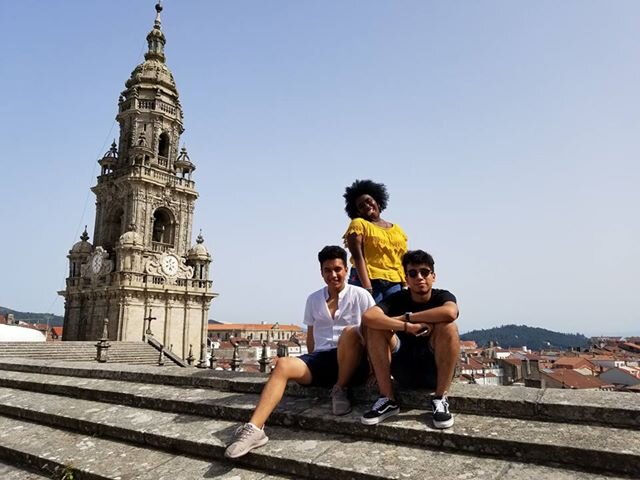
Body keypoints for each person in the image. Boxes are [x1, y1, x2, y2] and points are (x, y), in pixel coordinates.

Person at [225, 245, 375, 458]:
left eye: (337, 269)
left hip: (353, 361)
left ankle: (340, 388)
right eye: (327, 270)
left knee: (350, 333)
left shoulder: (360, 295)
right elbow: (312, 336)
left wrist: (375, 370)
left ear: (346, 270)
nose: (333, 274)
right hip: (323, 360)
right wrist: (309, 363)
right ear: (321, 272)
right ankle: (254, 429)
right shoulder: (314, 299)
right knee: (283, 364)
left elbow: (373, 333)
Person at [360, 249, 460, 429]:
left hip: (434, 373)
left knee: (448, 327)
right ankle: (387, 399)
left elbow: (451, 312)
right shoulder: (397, 299)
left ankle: (440, 398)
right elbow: (368, 317)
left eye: (424, 272)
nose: (419, 277)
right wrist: (407, 327)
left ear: (433, 276)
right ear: (406, 279)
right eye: (413, 273)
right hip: (404, 369)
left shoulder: (442, 296)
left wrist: (407, 317)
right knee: (375, 327)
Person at [343, 179, 408, 302]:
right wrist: (367, 287)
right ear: (357, 211)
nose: (367, 206)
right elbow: (358, 257)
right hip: (369, 280)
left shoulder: (397, 229)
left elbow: (402, 259)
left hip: (394, 282)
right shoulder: (358, 224)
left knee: (393, 318)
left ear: (377, 202)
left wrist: (405, 284)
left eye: (369, 201)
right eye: (361, 206)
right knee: (372, 318)